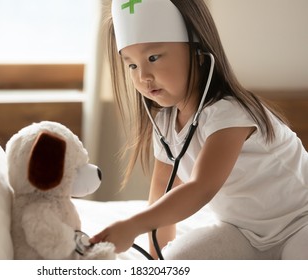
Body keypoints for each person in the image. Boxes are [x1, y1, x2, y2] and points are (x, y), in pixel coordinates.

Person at [89, 0, 308, 259]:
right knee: (176, 262)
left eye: (153, 57)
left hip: (299, 223)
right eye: (132, 65)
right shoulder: (166, 125)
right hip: (242, 230)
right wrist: (157, 261)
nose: (142, 77)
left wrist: (132, 226)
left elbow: (201, 188)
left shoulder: (231, 113)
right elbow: (162, 194)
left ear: (198, 51)